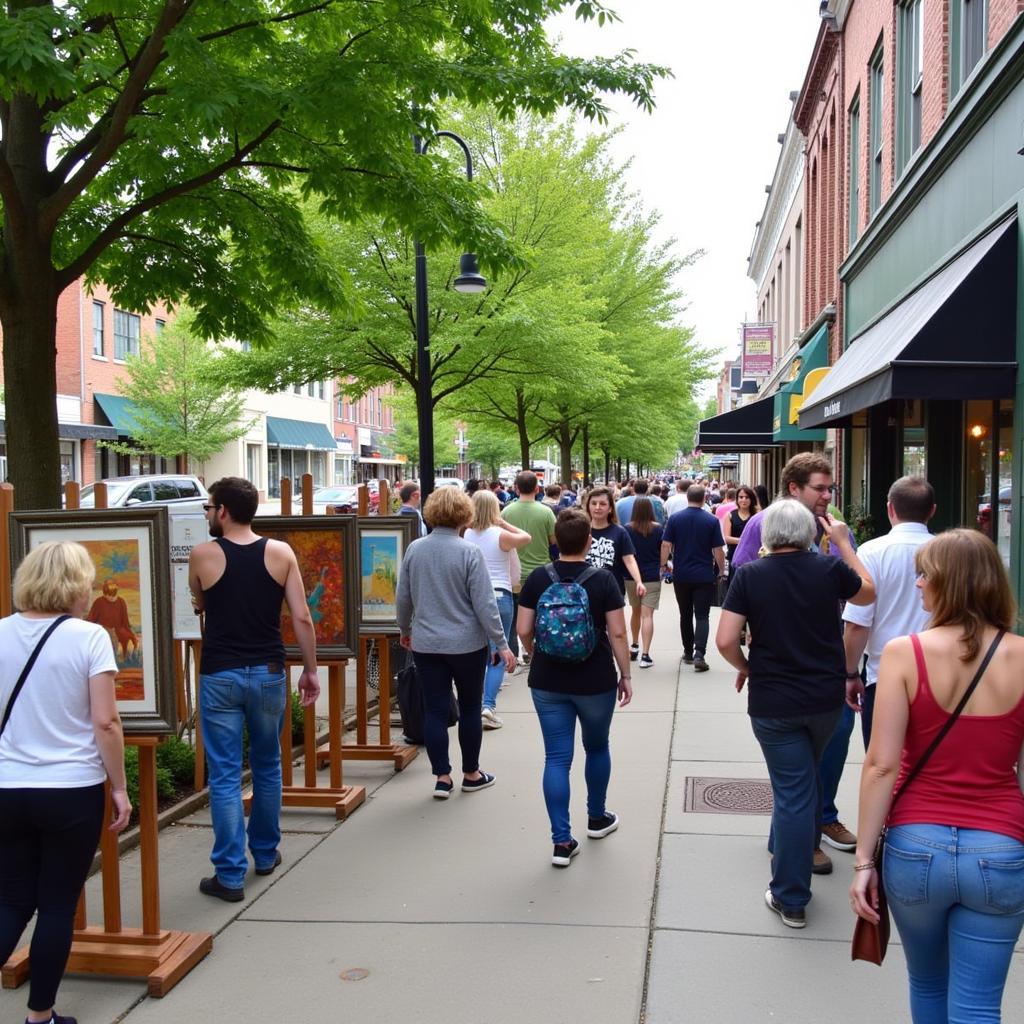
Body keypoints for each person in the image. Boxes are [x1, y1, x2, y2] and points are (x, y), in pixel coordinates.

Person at [851, 530, 1024, 1021]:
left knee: (927, 984)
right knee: (978, 1005)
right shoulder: (1022, 656)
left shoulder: (906, 653)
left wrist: (864, 861)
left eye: (926, 575)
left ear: (950, 584)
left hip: (915, 847)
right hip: (1001, 848)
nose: (919, 585)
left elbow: (881, 764)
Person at [716, 501, 874, 928]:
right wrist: (842, 543)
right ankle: (798, 874)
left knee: (792, 794)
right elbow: (867, 589)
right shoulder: (827, 568)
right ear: (808, 532)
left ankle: (790, 897)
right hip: (824, 699)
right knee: (806, 786)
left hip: (774, 701)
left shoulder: (751, 575)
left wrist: (747, 667)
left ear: (768, 535)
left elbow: (726, 639)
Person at [0, 541, 132, 1024]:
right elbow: (106, 723)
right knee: (57, 904)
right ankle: (41, 1018)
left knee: (12, 899)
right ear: (76, 585)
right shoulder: (88, 638)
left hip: (8, 787)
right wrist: (119, 787)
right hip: (71, 789)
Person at [190, 476, 321, 901]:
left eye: (210, 508)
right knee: (267, 764)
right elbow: (302, 618)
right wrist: (310, 669)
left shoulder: (203, 555)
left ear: (223, 511)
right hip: (268, 671)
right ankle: (265, 853)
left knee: (225, 773)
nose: (208, 514)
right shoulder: (280, 553)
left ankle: (229, 874)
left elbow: (201, 605)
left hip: (220, 675)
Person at [733, 452, 859, 873]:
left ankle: (817, 821)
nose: (827, 495)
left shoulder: (834, 524)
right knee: (797, 770)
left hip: (827, 657)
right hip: (791, 663)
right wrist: (749, 655)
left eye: (829, 488)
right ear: (794, 488)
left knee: (828, 750)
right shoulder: (760, 525)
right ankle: (802, 842)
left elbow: (857, 589)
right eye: (819, 488)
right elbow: (745, 585)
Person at [517, 509, 632, 867]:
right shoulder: (602, 580)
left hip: (548, 681)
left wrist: (537, 653)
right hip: (594, 680)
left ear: (556, 540)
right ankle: (596, 818)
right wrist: (625, 674)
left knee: (556, 758)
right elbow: (617, 632)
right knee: (597, 747)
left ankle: (561, 842)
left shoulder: (538, 578)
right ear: (588, 541)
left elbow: (523, 629)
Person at [396, 486, 517, 798]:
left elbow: (403, 598)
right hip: (466, 644)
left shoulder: (415, 549)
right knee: (470, 707)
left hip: (426, 643)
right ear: (465, 514)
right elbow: (485, 604)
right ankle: (472, 773)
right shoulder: (468, 552)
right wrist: (501, 643)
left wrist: (404, 629)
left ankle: (442, 777)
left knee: (435, 710)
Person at [843, 476, 936, 748]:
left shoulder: (872, 553)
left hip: (882, 676)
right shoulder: (947, 553)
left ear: (890, 509)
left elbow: (857, 624)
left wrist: (850, 673)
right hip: (938, 677)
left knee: (882, 762)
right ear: (932, 511)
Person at [464, 490, 532, 730]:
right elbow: (526, 537)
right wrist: (503, 522)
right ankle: (488, 706)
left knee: (476, 653)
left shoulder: (466, 534)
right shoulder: (501, 535)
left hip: (473, 598)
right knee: (497, 654)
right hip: (500, 595)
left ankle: (474, 704)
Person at [660, 484, 725, 672]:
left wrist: (663, 564)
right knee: (702, 615)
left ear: (687, 497)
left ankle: (688, 652)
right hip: (704, 575)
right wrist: (721, 570)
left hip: (682, 574)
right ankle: (700, 653)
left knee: (685, 614)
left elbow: (666, 544)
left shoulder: (675, 519)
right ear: (704, 498)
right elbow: (718, 550)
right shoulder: (711, 521)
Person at [503, 471, 557, 665]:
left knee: (515, 617)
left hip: (514, 574)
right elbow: (554, 540)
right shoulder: (546, 512)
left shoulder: (506, 512)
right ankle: (537, 650)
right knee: (541, 614)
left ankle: (518, 653)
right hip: (541, 572)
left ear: (516, 488)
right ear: (537, 488)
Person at [583, 486, 646, 598]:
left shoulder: (620, 532)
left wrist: (639, 582)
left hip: (613, 590)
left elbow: (629, 560)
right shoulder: (580, 530)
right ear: (588, 506)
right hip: (585, 590)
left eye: (602, 504)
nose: (597, 507)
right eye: (593, 503)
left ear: (610, 508)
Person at [623, 497, 664, 668]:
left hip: (631, 576)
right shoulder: (658, 529)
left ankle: (634, 645)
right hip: (652, 575)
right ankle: (646, 655)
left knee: (635, 612)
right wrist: (662, 565)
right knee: (648, 616)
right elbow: (663, 549)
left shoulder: (626, 529)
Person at [722, 485, 759, 579]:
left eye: (747, 497)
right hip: (734, 558)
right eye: (741, 497)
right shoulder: (730, 515)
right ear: (737, 499)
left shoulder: (757, 516)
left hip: (753, 559)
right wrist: (743, 540)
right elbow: (726, 538)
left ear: (752, 499)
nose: (744, 500)